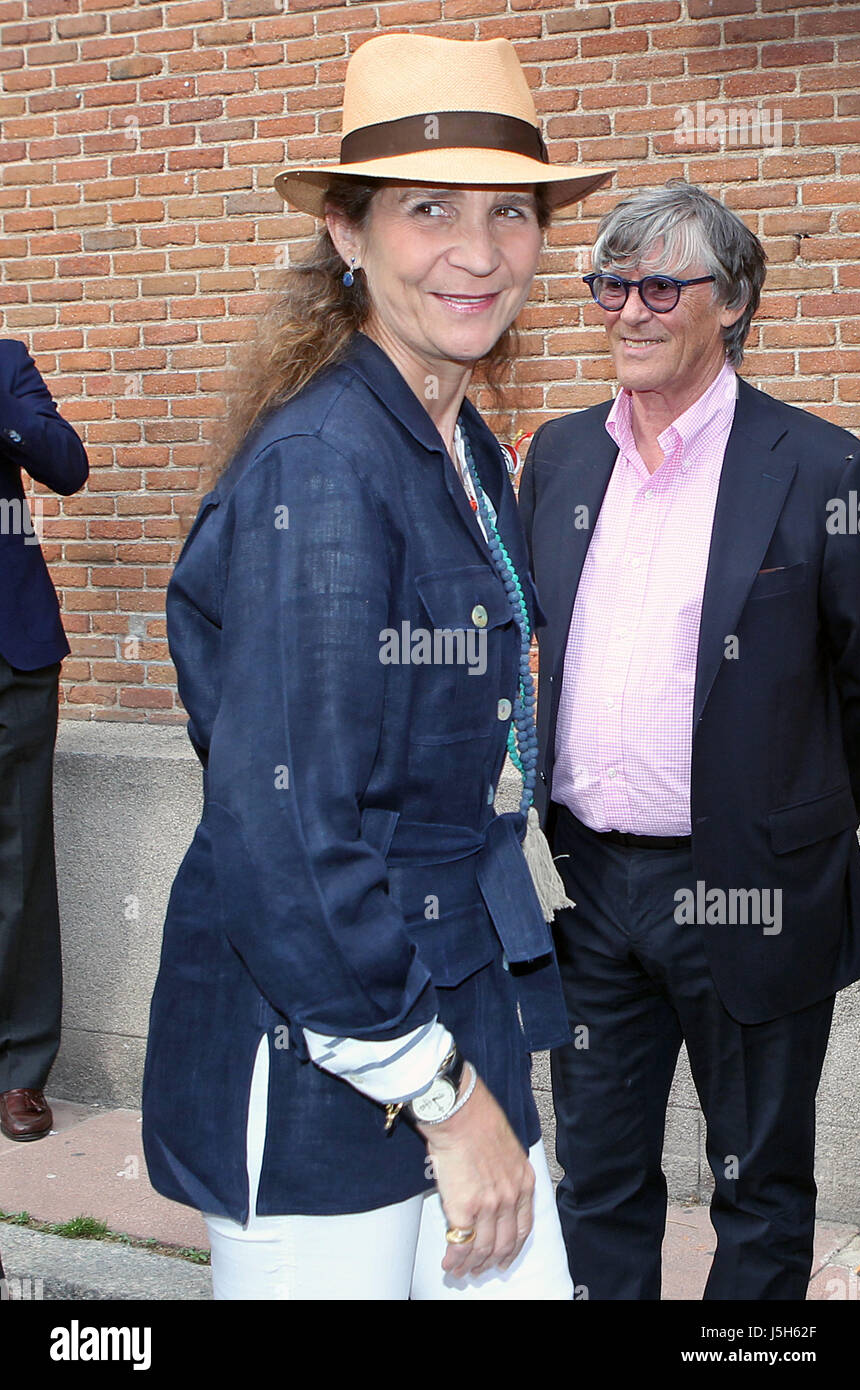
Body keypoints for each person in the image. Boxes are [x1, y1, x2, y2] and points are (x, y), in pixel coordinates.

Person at [141, 32, 613, 1300]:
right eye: (427, 211)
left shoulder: (456, 447)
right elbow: (286, 829)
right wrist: (445, 1103)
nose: (478, 251)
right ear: (346, 236)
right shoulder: (328, 468)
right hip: (327, 1052)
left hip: (449, 995)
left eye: (509, 212)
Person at [519, 179, 860, 1301]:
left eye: (659, 285)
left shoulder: (818, 469)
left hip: (750, 889)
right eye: (609, 285)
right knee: (596, 1176)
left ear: (733, 303)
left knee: (757, 1190)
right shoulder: (560, 458)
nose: (628, 309)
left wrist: (794, 828)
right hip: (590, 887)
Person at [0, 339, 89, 1142]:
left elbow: (68, 465)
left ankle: (21, 1070)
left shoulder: (5, 365)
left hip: (10, 655)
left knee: (20, 865)